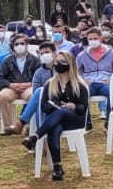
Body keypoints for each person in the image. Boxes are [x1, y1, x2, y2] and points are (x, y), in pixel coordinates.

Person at [19, 50, 90, 180]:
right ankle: (57, 167)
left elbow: (83, 108)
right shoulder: (50, 84)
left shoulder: (79, 85)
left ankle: (35, 136)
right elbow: (44, 106)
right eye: (57, 62)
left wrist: (73, 106)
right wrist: (58, 105)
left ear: (70, 65)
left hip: (74, 120)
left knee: (61, 112)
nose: (59, 64)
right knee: (55, 127)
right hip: (55, 120)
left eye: (63, 62)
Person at [0, 34, 42, 135]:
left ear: (26, 44)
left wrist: (29, 84)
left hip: (29, 87)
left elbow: (40, 76)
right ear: (13, 46)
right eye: (16, 44)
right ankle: (8, 127)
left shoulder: (35, 60)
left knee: (33, 96)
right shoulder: (7, 60)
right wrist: (10, 85)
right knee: (2, 96)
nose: (19, 46)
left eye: (22, 43)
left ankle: (29, 126)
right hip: (12, 87)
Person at [77, 27, 113, 115]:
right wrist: (82, 80)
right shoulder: (82, 55)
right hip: (89, 84)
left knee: (111, 93)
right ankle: (86, 122)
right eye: (90, 39)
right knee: (82, 93)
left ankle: (109, 119)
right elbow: (76, 71)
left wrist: (112, 79)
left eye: (95, 38)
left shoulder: (112, 53)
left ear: (101, 38)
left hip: (106, 83)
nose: (93, 41)